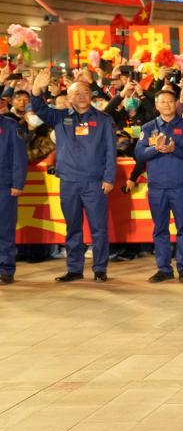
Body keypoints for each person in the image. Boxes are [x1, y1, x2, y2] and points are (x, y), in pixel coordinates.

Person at [30, 70, 116, 282]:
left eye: (85, 92)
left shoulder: (103, 120)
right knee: (73, 227)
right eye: (76, 93)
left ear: (91, 95)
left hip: (95, 182)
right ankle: (74, 268)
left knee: (98, 228)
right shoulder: (60, 117)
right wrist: (37, 89)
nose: (81, 96)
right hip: (68, 181)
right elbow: (39, 109)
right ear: (68, 97)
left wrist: (109, 178)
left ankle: (100, 268)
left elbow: (110, 151)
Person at [135, 90, 183, 283]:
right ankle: (163, 269)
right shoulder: (148, 128)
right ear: (156, 105)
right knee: (160, 229)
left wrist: (175, 149)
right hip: (157, 187)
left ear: (176, 103)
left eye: (170, 101)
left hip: (182, 186)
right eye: (162, 102)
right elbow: (139, 154)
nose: (166, 104)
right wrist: (155, 148)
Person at [0, 111, 27, 284]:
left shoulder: (10, 126)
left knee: (4, 229)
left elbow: (19, 156)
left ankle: (6, 268)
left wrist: (17, 183)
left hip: (4, 185)